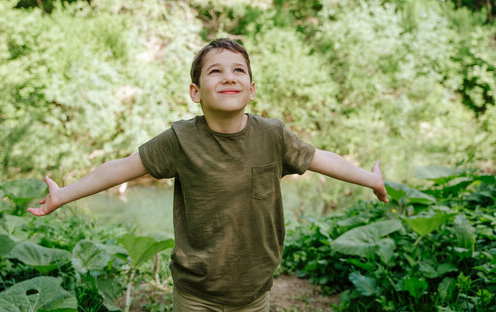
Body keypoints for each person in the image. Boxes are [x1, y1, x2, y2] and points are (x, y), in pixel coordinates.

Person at [28, 38, 388, 311]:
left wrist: (370, 179)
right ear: (195, 92)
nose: (228, 77)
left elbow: (322, 159)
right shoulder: (180, 140)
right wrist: (65, 193)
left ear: (251, 88)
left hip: (254, 289)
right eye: (215, 71)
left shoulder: (272, 135)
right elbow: (120, 168)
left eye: (238, 70)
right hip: (196, 292)